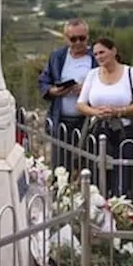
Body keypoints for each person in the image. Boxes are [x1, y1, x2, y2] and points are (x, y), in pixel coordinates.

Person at [77, 37, 133, 199]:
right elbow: (81, 104)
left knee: (123, 176)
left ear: (114, 51)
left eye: (102, 52)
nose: (99, 57)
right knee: (98, 174)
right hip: (98, 131)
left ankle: (120, 209)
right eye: (96, 54)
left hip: (124, 131)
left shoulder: (131, 73)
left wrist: (119, 111)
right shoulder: (92, 75)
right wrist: (95, 112)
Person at [37, 19, 96, 174]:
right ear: (65, 38)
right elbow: (44, 80)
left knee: (89, 167)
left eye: (82, 38)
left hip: (88, 122)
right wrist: (53, 91)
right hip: (61, 120)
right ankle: (62, 195)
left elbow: (108, 84)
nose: (78, 42)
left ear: (88, 37)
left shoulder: (96, 58)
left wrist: (86, 90)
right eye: (73, 39)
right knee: (61, 168)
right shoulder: (57, 57)